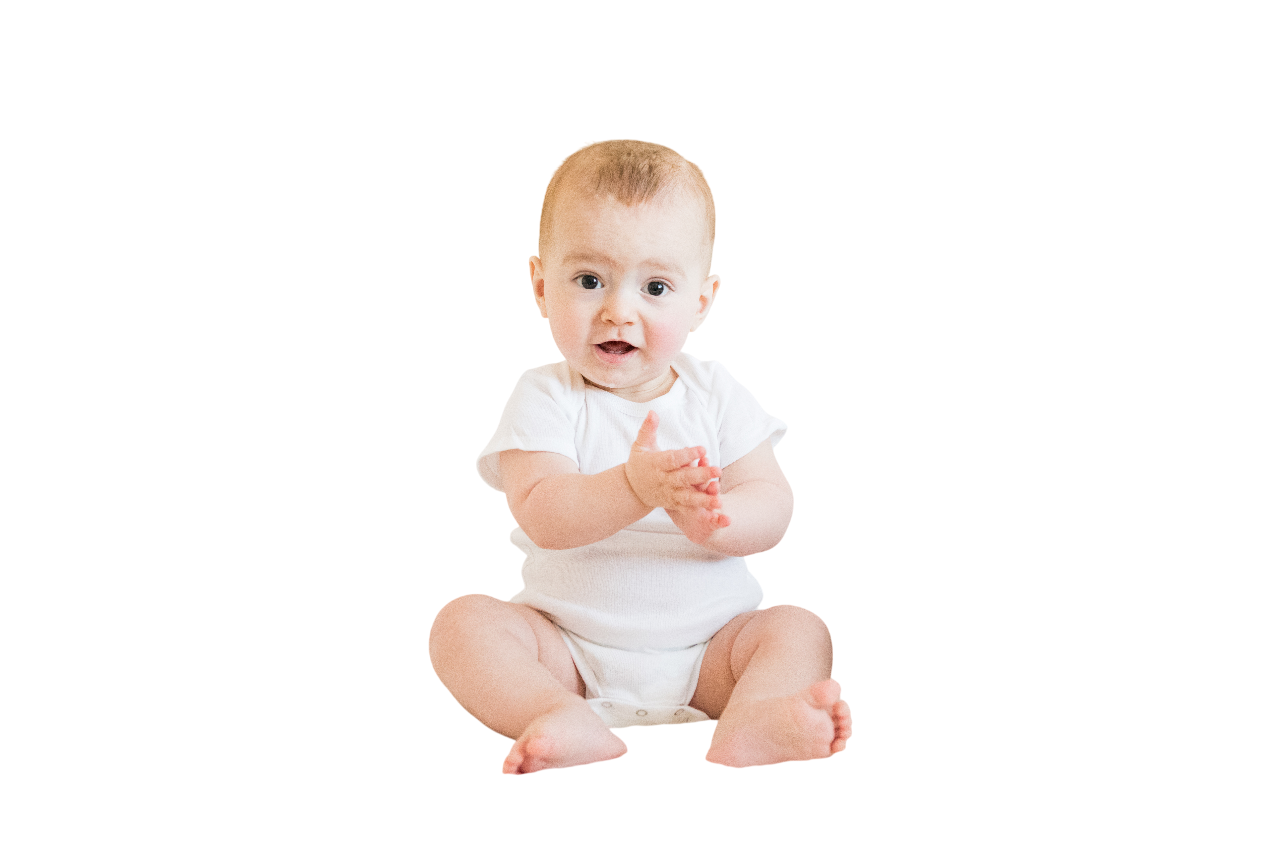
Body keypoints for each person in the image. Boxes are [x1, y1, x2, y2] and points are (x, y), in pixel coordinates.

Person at [429, 139, 851, 774]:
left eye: (655, 287)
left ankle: (755, 719)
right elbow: (543, 512)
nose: (618, 312)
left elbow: (773, 503)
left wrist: (719, 521)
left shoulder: (717, 392)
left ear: (701, 301)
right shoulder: (544, 395)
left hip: (711, 652)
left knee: (798, 628)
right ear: (540, 285)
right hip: (567, 649)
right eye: (589, 280)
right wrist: (634, 487)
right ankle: (555, 715)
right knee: (462, 625)